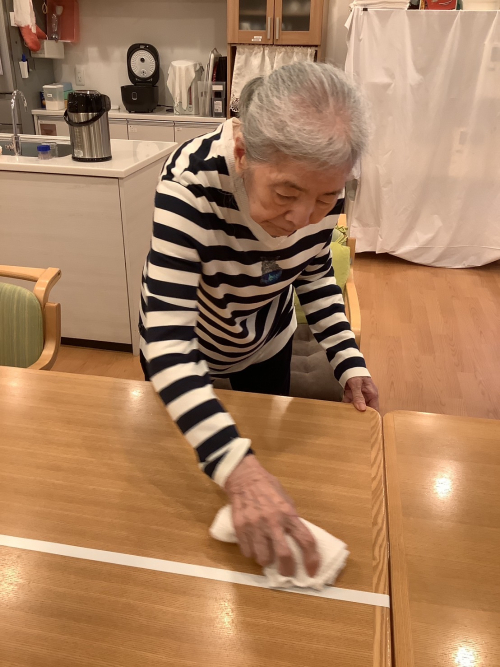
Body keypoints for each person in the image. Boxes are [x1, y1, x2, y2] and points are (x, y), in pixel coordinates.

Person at [139, 61, 379, 579]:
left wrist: (347, 358)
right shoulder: (189, 183)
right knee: (182, 487)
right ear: (245, 153)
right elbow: (166, 339)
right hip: (190, 350)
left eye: (325, 198)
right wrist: (237, 471)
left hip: (267, 340)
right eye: (286, 195)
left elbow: (314, 273)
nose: (302, 219)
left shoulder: (322, 185)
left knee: (273, 461)